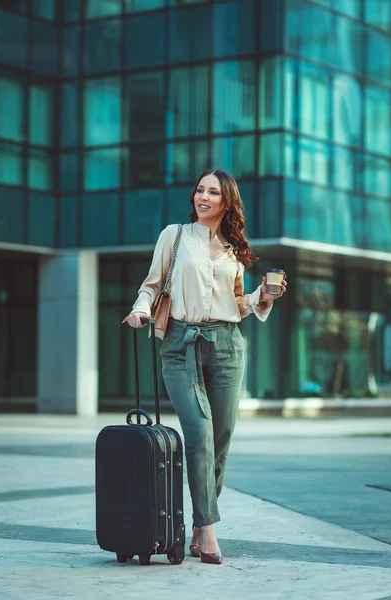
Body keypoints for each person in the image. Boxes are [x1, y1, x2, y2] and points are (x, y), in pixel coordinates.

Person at [123, 169, 287, 564]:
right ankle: (209, 528)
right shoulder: (175, 235)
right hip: (182, 343)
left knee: (222, 437)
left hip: (228, 344)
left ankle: (198, 526)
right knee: (199, 433)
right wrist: (140, 309)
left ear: (226, 201)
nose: (204, 197)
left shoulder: (234, 248)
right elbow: (152, 283)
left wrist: (262, 295)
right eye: (200, 190)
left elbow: (237, 305)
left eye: (213, 192)